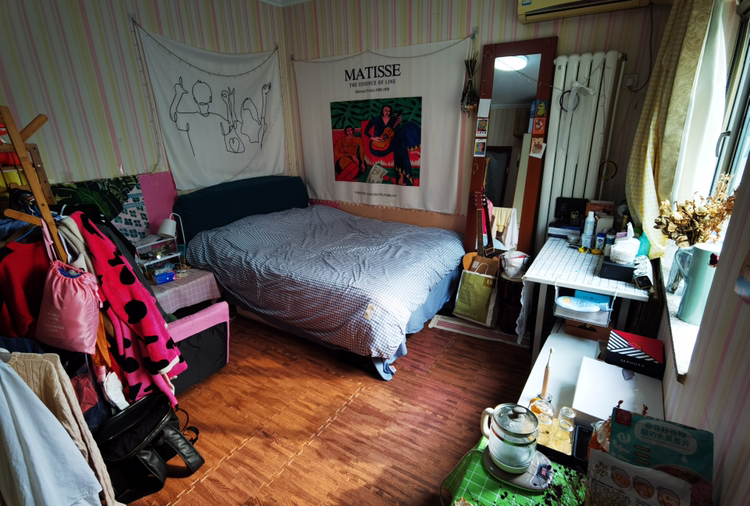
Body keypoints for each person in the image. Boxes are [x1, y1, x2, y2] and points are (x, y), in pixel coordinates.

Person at [365, 105, 420, 186]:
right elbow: (366, 131)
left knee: (407, 127)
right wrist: (373, 138)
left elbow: (395, 133)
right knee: (400, 142)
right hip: (378, 145)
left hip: (391, 142)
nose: (387, 112)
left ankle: (400, 176)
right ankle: (404, 177)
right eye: (385, 110)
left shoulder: (393, 120)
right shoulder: (376, 119)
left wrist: (398, 123)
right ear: (382, 110)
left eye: (389, 111)